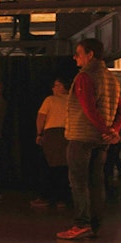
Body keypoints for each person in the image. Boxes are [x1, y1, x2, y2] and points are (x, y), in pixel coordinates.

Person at [57, 39, 121, 240]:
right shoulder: (112, 79)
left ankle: (81, 223)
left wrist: (106, 129)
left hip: (82, 136)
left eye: (78, 53)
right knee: (97, 182)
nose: (75, 57)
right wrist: (112, 131)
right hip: (101, 140)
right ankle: (94, 225)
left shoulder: (85, 77)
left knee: (78, 182)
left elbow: (88, 108)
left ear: (90, 55)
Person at [31, 77, 70, 208]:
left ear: (62, 87)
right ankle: (63, 199)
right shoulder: (74, 100)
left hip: (52, 134)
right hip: (68, 134)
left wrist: (39, 133)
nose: (53, 88)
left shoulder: (50, 100)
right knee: (65, 167)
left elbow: (41, 117)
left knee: (48, 166)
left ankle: (45, 197)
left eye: (56, 85)